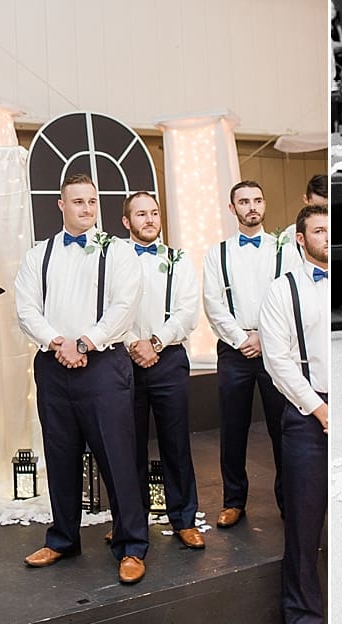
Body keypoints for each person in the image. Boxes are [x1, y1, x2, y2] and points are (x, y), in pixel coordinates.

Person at [14, 174, 148, 585]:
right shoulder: (39, 255)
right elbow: (25, 308)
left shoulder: (120, 252)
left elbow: (124, 306)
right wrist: (58, 342)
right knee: (60, 455)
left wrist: (86, 343)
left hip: (104, 366)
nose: (87, 209)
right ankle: (62, 539)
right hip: (54, 367)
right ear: (60, 205)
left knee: (117, 457)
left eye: (92, 201)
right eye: (78, 202)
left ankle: (132, 546)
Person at [202, 180, 300, 529]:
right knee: (233, 428)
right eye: (243, 202)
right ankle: (233, 501)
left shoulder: (284, 250)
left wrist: (265, 337)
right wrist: (241, 337)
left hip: (275, 349)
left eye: (257, 200)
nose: (251, 207)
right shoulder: (218, 253)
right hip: (233, 350)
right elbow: (213, 303)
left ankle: (289, 501)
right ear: (233, 209)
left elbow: (291, 295)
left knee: (282, 427)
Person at [120, 192, 204, 550]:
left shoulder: (179, 259)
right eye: (141, 214)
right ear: (127, 222)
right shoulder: (114, 259)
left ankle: (184, 518)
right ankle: (130, 522)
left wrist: (154, 343)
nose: (150, 220)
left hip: (168, 359)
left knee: (176, 443)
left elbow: (188, 311)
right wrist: (132, 344)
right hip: (123, 361)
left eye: (154, 213)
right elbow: (106, 309)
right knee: (128, 446)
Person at [259, 204, 329, 624]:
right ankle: (303, 614)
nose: (328, 237)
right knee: (304, 526)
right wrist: (319, 409)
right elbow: (278, 362)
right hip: (306, 414)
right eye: (319, 231)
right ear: (301, 240)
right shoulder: (281, 291)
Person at [283, 174, 328, 252]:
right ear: (306, 200)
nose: (323, 213)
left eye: (327, 208)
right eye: (316, 208)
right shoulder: (291, 234)